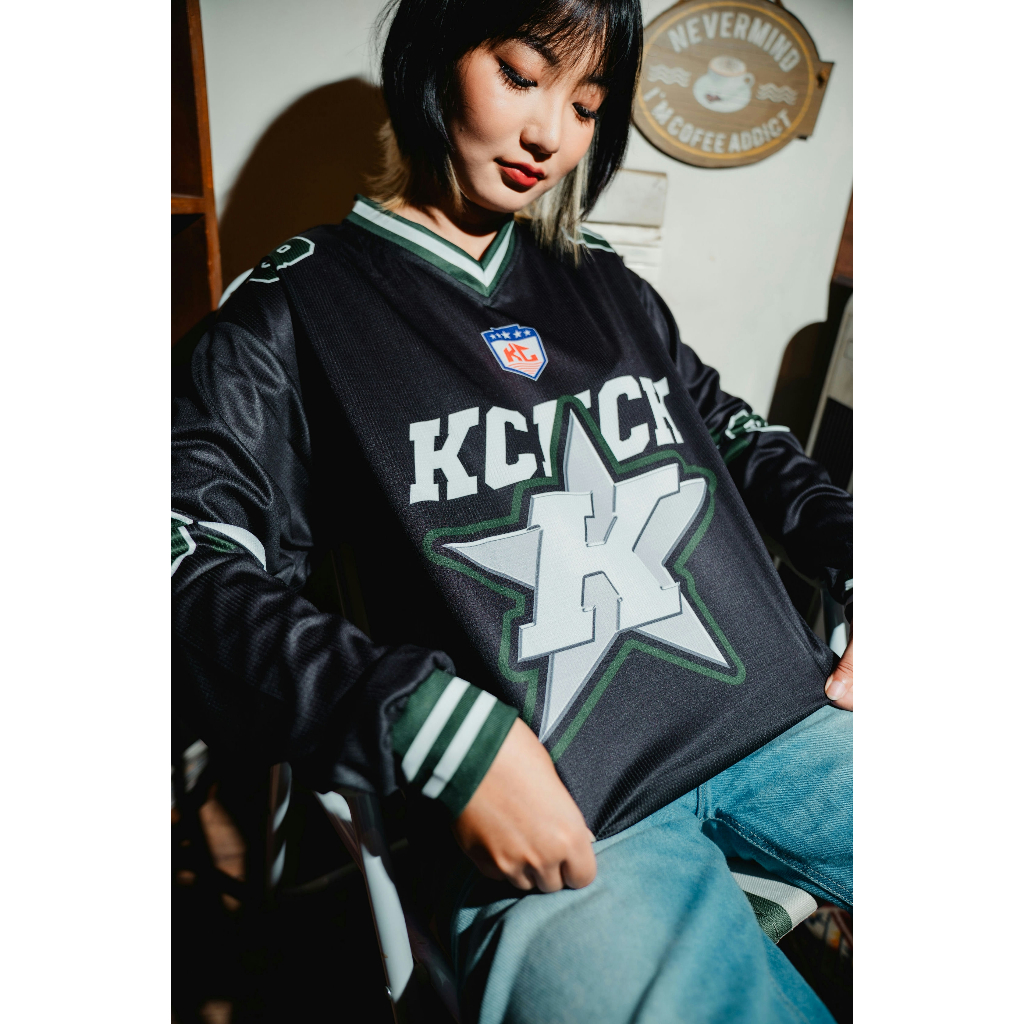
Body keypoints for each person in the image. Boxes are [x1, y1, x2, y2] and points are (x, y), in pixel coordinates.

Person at [172, 0, 853, 1019]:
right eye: (521, 76)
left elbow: (739, 438)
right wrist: (419, 719)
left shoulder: (607, 285)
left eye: (586, 106)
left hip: (778, 719)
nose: (550, 134)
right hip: (557, 801)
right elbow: (183, 558)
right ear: (432, 57)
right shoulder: (291, 307)